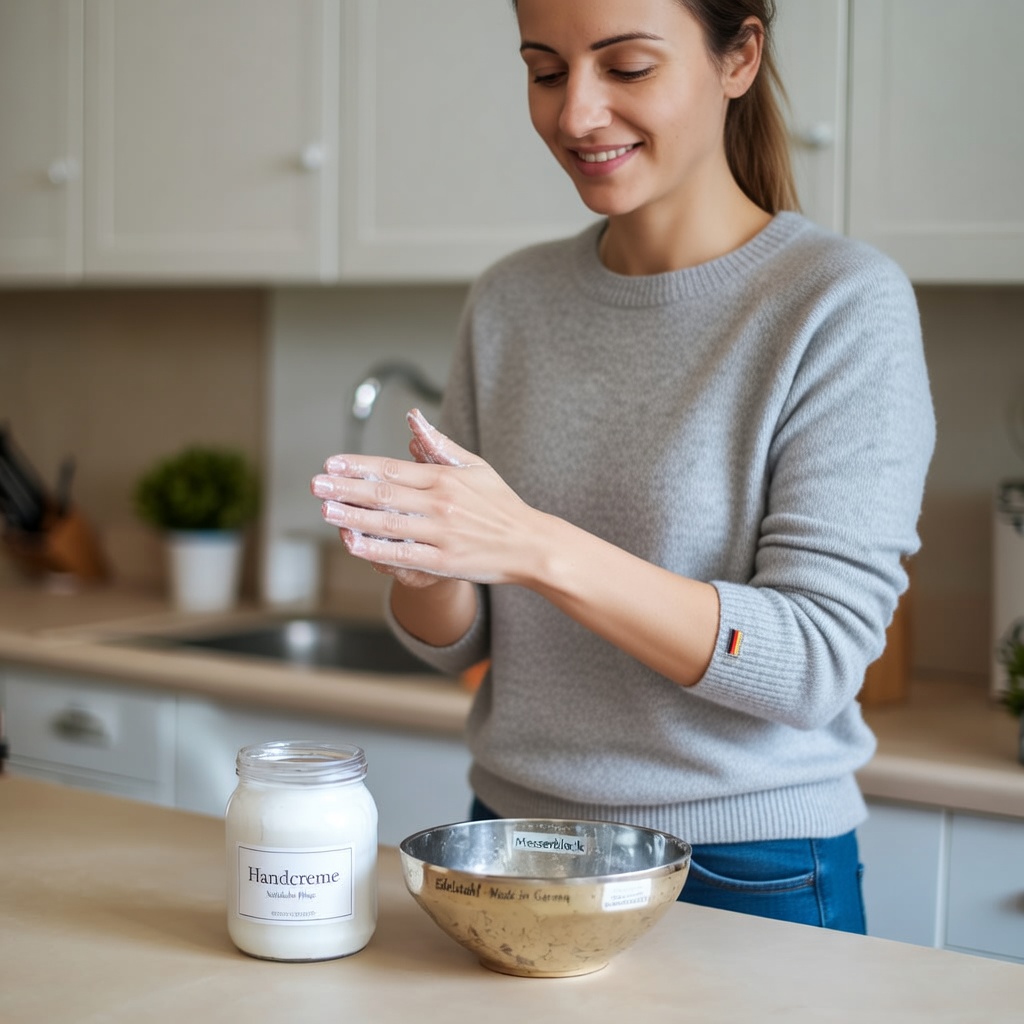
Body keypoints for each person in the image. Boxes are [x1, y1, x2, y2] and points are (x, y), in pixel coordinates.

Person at [311, 0, 934, 933]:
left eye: (627, 68)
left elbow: (815, 661)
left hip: (742, 867)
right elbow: (458, 640)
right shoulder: (510, 301)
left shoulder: (837, 305)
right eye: (547, 70)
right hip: (512, 843)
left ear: (740, 58)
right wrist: (428, 565)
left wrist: (529, 544)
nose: (575, 116)